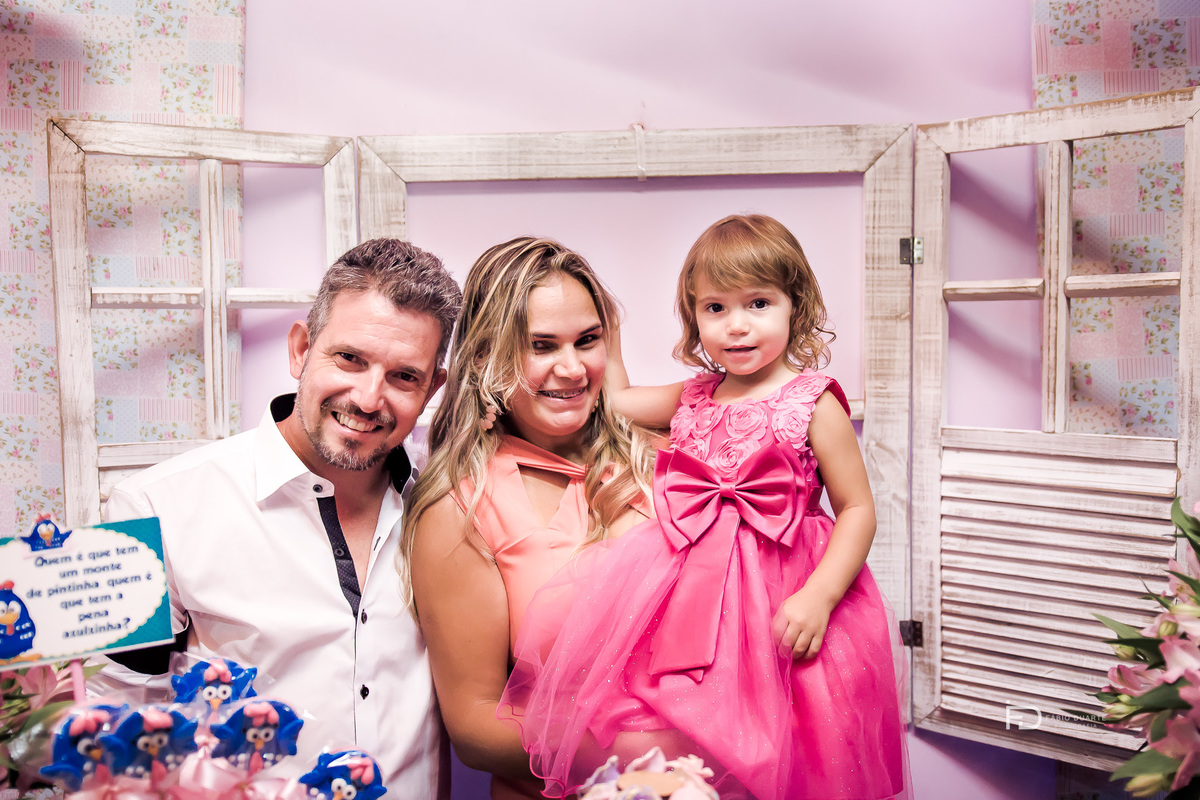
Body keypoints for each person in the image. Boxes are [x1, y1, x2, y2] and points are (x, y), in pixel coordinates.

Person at [500, 215, 909, 800]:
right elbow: (616, 402)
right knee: (687, 731)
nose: (736, 325)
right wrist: (605, 331)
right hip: (698, 589)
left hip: (787, 586)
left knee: (799, 734)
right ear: (694, 317)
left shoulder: (814, 403)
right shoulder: (694, 395)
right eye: (715, 308)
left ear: (796, 305)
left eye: (758, 303)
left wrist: (819, 596)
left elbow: (858, 509)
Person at [97, 238, 461, 797]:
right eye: (350, 358)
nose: (369, 398)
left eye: (403, 377)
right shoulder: (149, 511)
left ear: (432, 388)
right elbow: (112, 727)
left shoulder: (451, 509)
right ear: (301, 350)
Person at [401, 237, 656, 800]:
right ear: (486, 356)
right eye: (541, 346)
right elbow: (475, 729)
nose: (572, 368)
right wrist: (659, 753)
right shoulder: (460, 509)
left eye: (587, 340)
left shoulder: (663, 458)